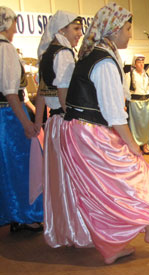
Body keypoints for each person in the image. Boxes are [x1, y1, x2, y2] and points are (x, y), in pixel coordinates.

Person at [61, 3, 149, 264]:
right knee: (139, 173)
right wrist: (133, 145)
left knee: (102, 191)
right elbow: (114, 113)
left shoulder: (95, 56)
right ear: (113, 31)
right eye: (127, 28)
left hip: (80, 130)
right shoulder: (103, 62)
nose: (129, 34)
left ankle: (113, 245)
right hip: (88, 133)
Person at [37, 11, 93, 247]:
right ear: (62, 30)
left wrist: (38, 120)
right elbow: (62, 91)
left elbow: (41, 91)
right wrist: (72, 119)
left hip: (53, 124)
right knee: (73, 177)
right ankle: (76, 229)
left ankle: (65, 227)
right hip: (64, 122)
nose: (80, 34)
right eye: (75, 30)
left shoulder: (48, 53)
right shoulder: (63, 54)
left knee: (61, 178)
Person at [0, 7, 44, 231]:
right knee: (22, 165)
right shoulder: (5, 49)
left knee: (7, 166)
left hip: (6, 114)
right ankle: (25, 216)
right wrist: (26, 122)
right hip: (9, 115)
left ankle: (13, 213)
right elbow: (10, 91)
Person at [126, 54, 149, 155]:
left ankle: (145, 146)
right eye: (139, 62)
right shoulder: (130, 75)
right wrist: (123, 105)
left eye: (143, 62)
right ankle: (136, 146)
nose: (141, 64)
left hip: (147, 102)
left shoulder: (146, 75)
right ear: (135, 64)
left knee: (147, 125)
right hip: (135, 102)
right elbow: (125, 92)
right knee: (136, 126)